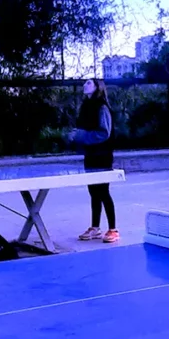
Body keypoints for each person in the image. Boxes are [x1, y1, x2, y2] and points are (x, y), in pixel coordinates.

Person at [71, 78, 118, 243]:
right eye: (85, 83)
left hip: (103, 156)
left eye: (89, 83)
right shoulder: (86, 107)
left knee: (103, 192)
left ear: (98, 87)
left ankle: (113, 229)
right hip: (90, 155)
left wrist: (83, 136)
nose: (85, 85)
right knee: (93, 192)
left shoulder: (102, 107)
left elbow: (104, 132)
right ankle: (95, 228)